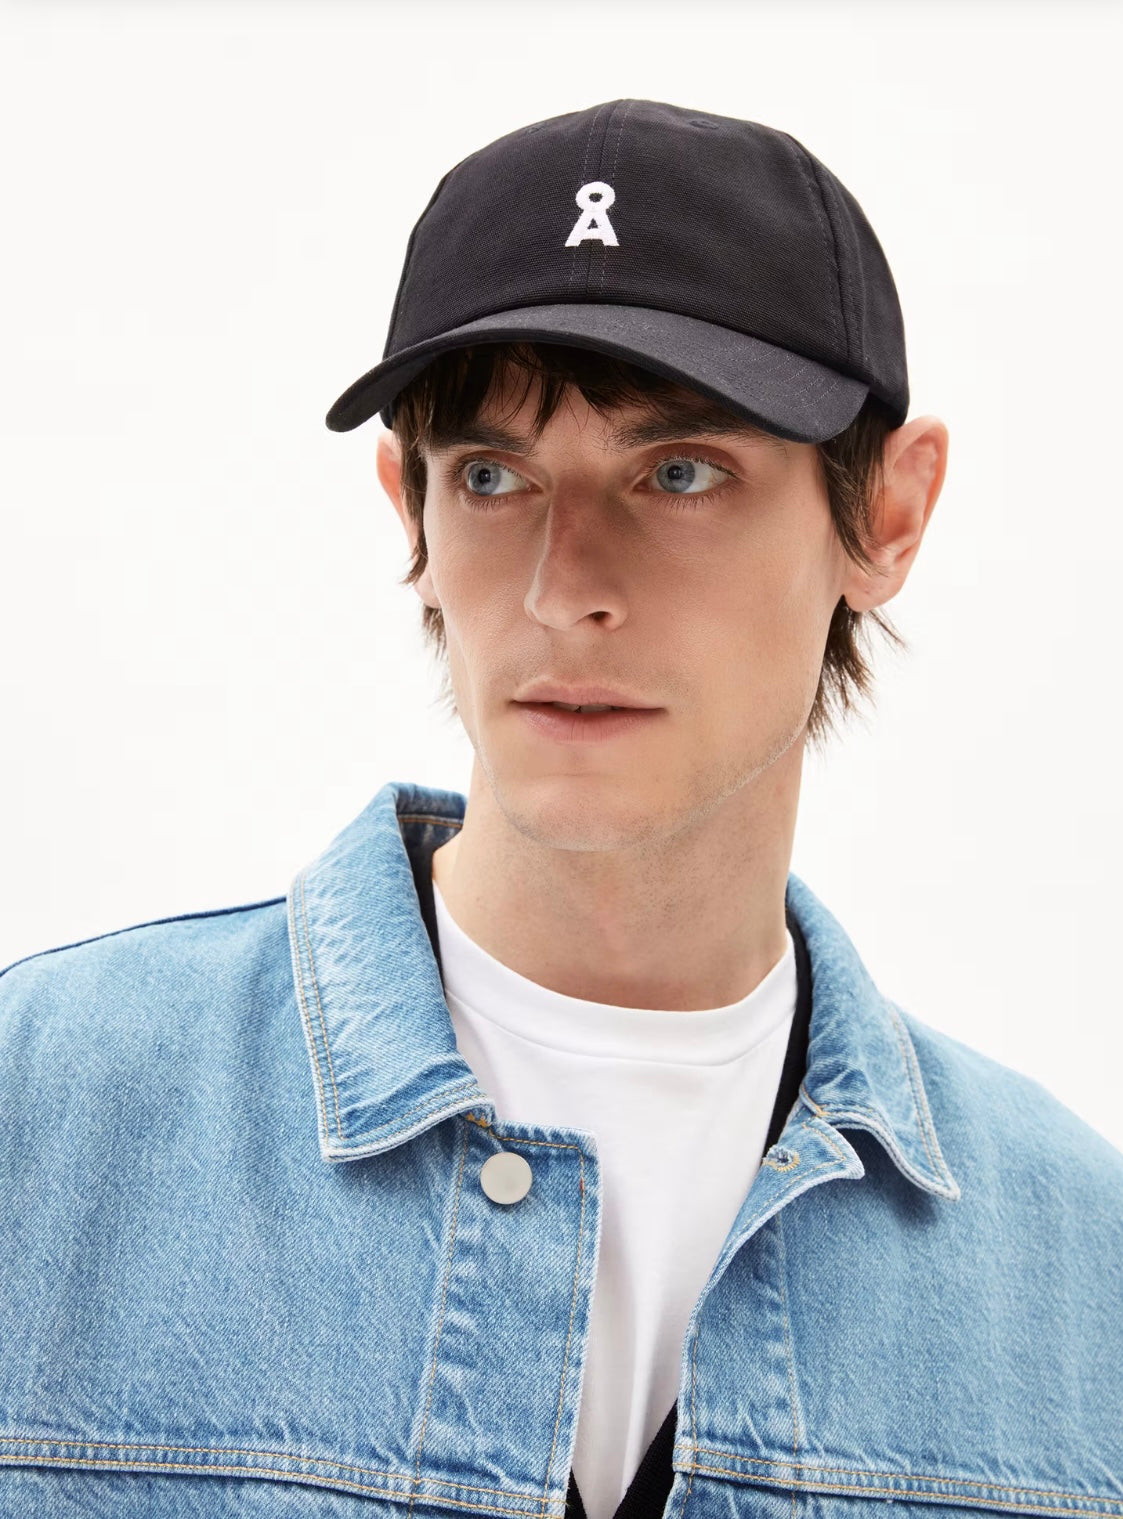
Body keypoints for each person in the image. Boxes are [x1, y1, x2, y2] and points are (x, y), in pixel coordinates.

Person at [1, 98, 1120, 1519]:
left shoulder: (1081, 1276)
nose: (562, 587)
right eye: (493, 477)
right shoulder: (42, 1118)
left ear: (888, 516)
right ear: (408, 509)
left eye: (680, 473)